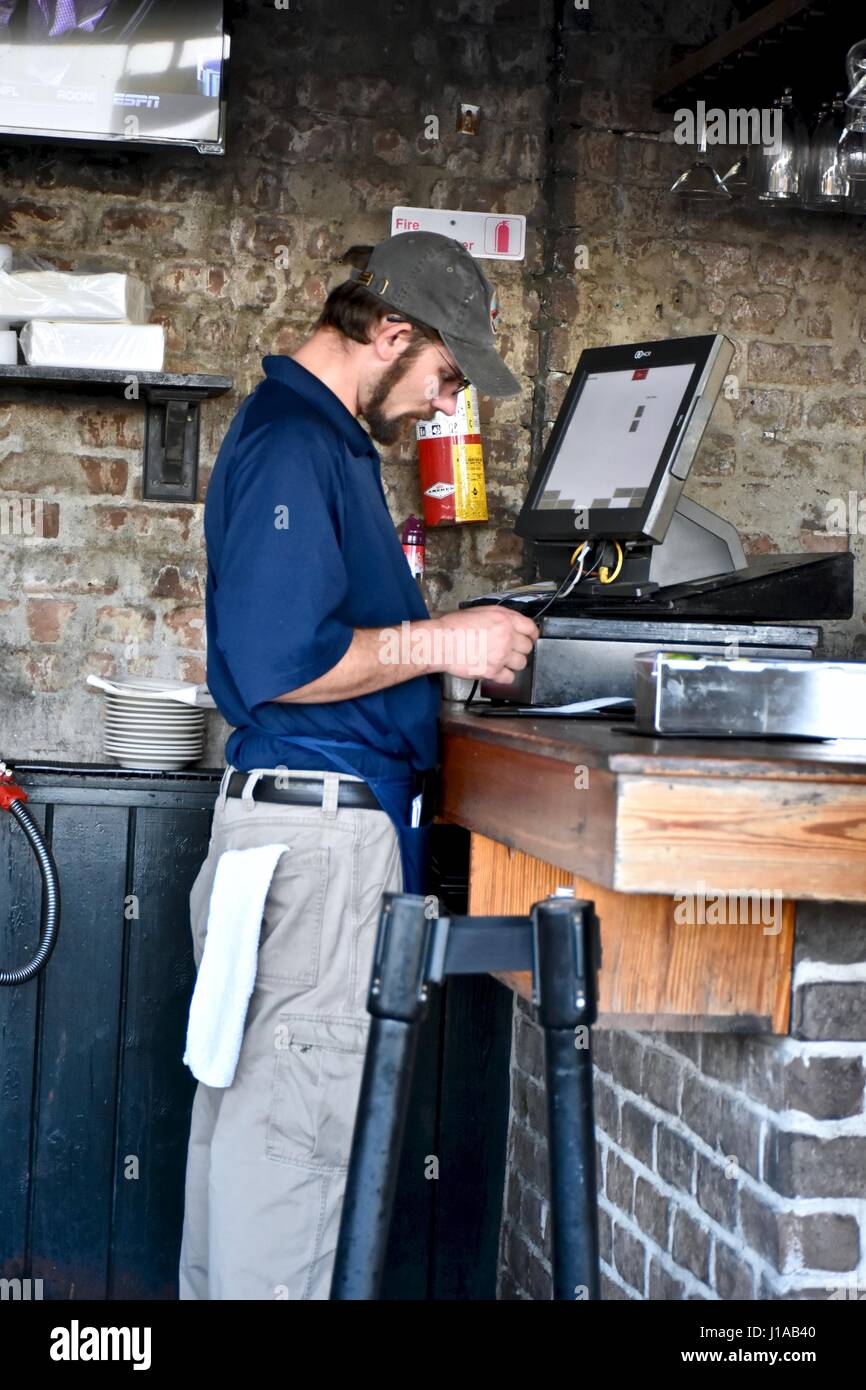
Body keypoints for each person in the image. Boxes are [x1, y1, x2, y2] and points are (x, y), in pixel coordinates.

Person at [178, 230, 539, 1300]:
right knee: (291, 1171)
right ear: (389, 334)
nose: (442, 403)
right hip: (318, 847)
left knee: (247, 1159)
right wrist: (447, 642)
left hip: (292, 838)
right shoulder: (296, 443)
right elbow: (281, 660)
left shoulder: (315, 438)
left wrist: (437, 661)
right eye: (441, 374)